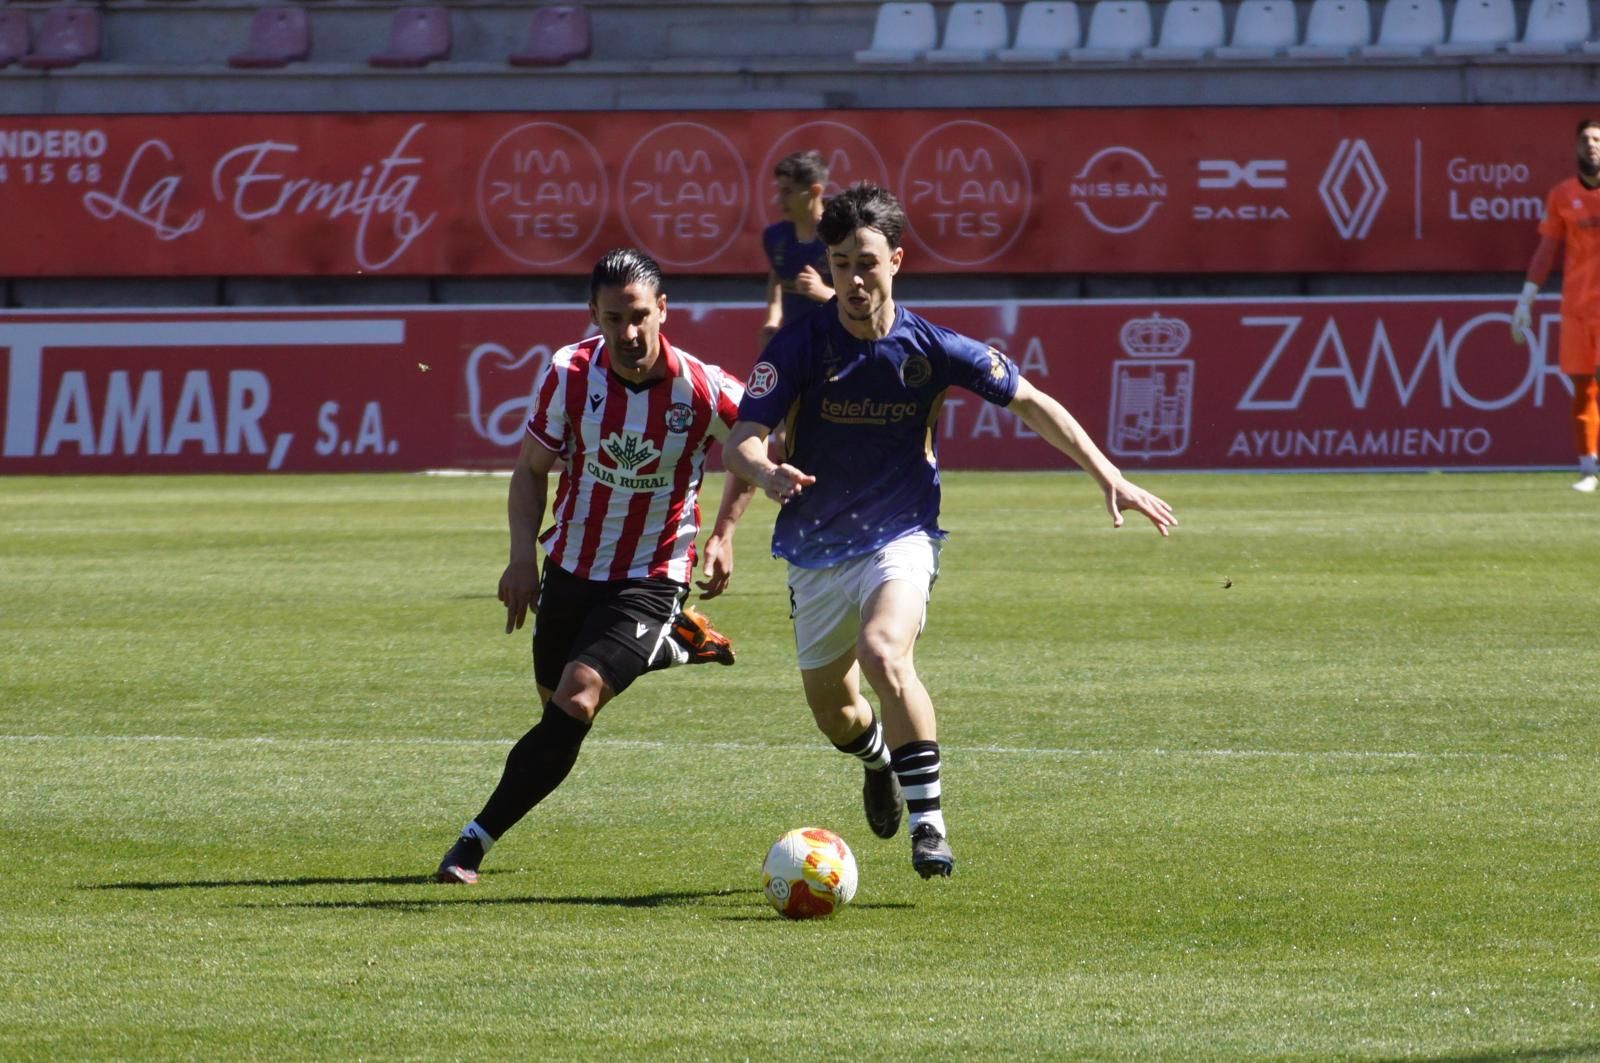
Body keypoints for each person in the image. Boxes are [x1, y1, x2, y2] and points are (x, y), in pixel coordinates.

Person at [723, 185, 1177, 880]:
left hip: (900, 536)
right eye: (840, 263)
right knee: (834, 711)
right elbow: (742, 439)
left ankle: (929, 823)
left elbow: (1029, 399)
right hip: (814, 551)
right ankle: (878, 760)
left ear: (896, 260)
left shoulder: (930, 346)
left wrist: (1106, 473)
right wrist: (767, 471)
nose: (853, 278)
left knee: (884, 651)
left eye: (866, 262)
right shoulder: (800, 344)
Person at [435, 248, 757, 885]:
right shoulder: (570, 372)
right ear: (593, 315)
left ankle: (472, 841)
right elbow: (530, 471)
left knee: (578, 698)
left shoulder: (702, 386)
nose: (629, 333)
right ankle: (670, 647)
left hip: (653, 571)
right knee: (555, 707)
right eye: (614, 318)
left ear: (663, 309)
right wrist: (520, 559)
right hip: (572, 566)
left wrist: (723, 534)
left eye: (639, 315)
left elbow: (750, 448)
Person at [1512, 118, 1600, 492]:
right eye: (1585, 139)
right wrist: (1525, 300)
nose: (1592, 145)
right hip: (1577, 308)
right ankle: (1588, 469)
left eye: (1598, 139)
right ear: (1575, 147)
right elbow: (1547, 251)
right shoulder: (1562, 195)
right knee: (1583, 388)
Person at [760, 150, 834, 348]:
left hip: (839, 345)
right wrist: (772, 320)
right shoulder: (775, 237)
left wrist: (824, 293)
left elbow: (868, 301)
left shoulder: (841, 236)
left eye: (788, 192)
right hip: (796, 348)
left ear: (815, 191)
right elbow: (778, 278)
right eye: (779, 191)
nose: (779, 200)